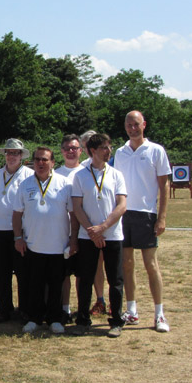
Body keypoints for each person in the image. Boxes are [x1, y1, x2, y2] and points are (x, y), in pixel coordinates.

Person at [114, 110, 171, 332]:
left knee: (151, 265)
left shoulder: (156, 150)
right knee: (127, 264)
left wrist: (162, 217)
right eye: (129, 125)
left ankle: (159, 315)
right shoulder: (120, 152)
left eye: (136, 124)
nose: (132, 128)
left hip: (147, 215)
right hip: (124, 213)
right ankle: (132, 311)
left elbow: (164, 185)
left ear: (144, 125)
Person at [13, 146, 77, 334]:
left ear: (52, 162)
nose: (41, 163)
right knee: (35, 285)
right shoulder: (25, 184)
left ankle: (55, 319)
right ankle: (34, 318)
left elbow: (73, 215)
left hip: (58, 245)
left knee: (56, 285)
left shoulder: (65, 184)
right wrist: (18, 237)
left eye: (45, 160)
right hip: (33, 245)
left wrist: (73, 239)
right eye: (37, 159)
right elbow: (17, 214)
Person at [71, 133, 127, 337]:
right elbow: (77, 207)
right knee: (86, 279)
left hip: (113, 235)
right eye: (104, 147)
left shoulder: (116, 174)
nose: (108, 151)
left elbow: (122, 205)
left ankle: (116, 320)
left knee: (115, 280)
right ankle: (83, 320)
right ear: (92, 151)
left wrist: (102, 227)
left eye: (109, 147)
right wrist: (92, 231)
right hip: (88, 236)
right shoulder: (80, 176)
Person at [0, 138, 33, 322]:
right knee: (0, 274)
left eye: (15, 153)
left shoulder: (29, 175)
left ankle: (25, 309)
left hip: (19, 232)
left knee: (23, 273)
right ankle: (4, 309)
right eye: (9, 153)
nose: (12, 156)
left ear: (21, 156)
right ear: (4, 155)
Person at [54, 134, 85, 323]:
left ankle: (82, 309)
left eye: (74, 148)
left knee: (82, 274)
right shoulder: (55, 174)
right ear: (61, 151)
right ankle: (65, 309)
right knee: (64, 274)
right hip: (62, 232)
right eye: (67, 148)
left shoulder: (87, 172)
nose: (70, 151)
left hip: (84, 232)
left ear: (81, 150)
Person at [80, 130, 108, 316]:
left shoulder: (108, 165)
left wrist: (103, 227)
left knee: (112, 267)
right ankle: (98, 300)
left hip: (108, 227)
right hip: (87, 228)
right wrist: (92, 230)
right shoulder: (83, 168)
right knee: (93, 267)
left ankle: (112, 301)